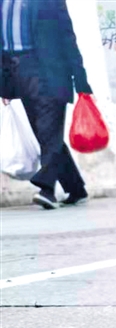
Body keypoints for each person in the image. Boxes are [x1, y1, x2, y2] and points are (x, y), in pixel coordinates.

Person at [1, 0, 92, 209]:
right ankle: (76, 188)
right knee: (45, 134)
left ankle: (47, 189)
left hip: (50, 73)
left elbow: (67, 36)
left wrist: (81, 81)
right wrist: (5, 86)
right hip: (18, 72)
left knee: (49, 131)